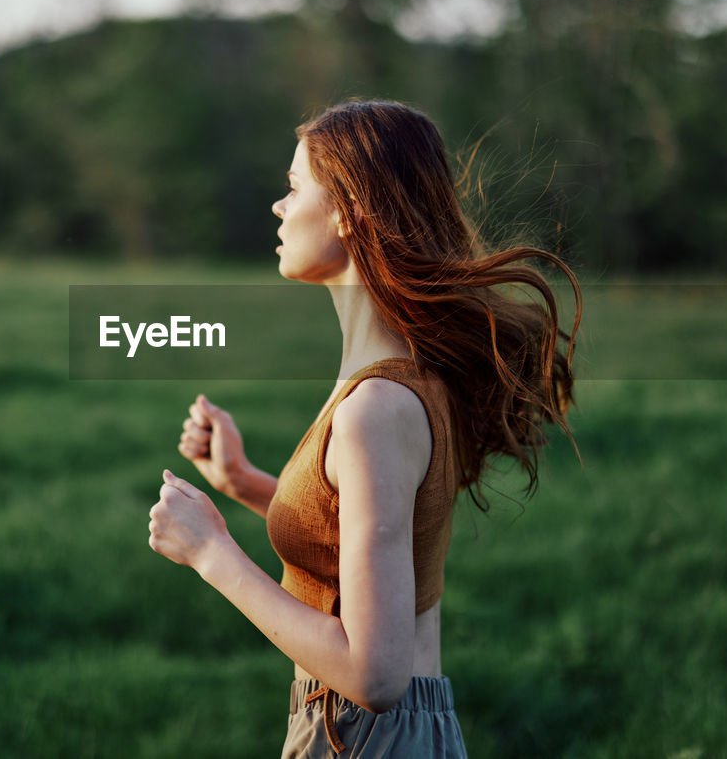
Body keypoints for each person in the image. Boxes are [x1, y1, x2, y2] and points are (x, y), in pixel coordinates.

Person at [148, 99, 581, 757]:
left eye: (294, 189)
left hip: (363, 734)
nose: (278, 207)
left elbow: (374, 673)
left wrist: (212, 553)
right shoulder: (399, 375)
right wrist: (241, 482)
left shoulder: (374, 408)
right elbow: (361, 539)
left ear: (349, 210)